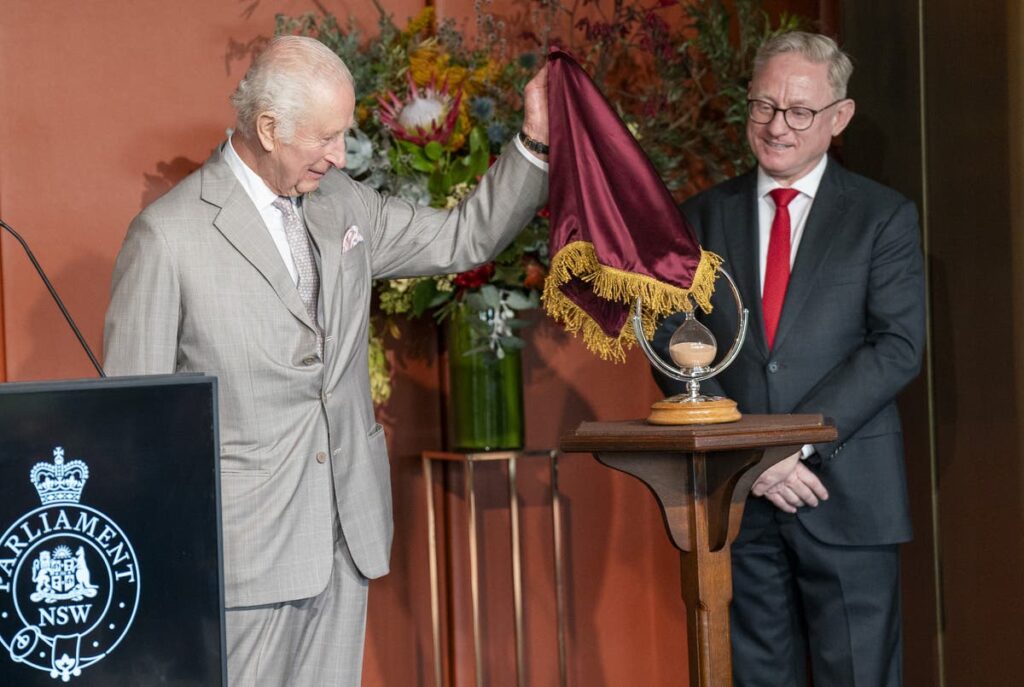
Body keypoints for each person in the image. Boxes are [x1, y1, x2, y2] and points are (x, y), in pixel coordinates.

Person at [104, 35, 549, 685]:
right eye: (326, 138)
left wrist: (533, 143)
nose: (341, 156)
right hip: (240, 558)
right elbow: (132, 425)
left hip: (346, 536)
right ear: (267, 127)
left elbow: (463, 237)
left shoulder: (343, 203)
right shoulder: (167, 238)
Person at [652, 32, 925, 686]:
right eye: (763, 106)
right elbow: (670, 341)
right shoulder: (697, 218)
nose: (778, 126)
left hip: (847, 495)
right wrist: (752, 455)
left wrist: (786, 446)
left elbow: (897, 347)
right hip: (738, 500)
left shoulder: (882, 217)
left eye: (800, 111)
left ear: (840, 117)